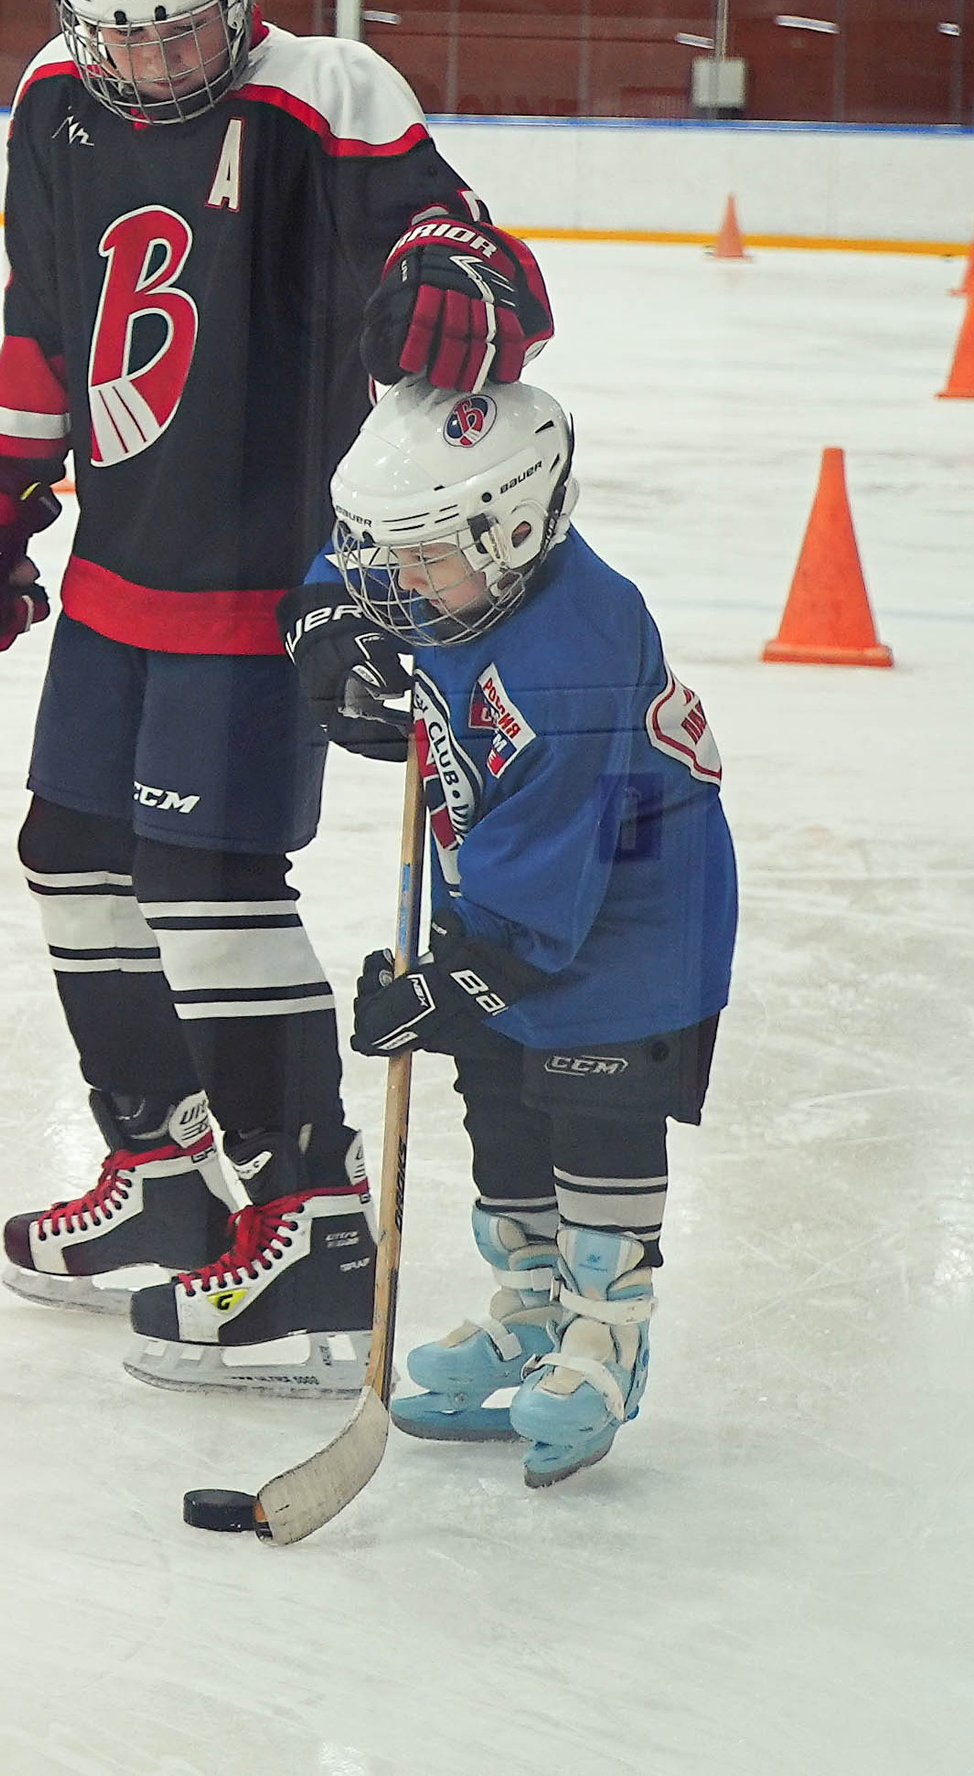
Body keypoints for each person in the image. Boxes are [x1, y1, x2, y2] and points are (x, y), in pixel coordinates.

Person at [0, 0, 553, 1399]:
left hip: (270, 576)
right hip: (119, 566)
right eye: (120, 32)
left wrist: (458, 279)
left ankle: (312, 1216)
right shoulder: (52, 104)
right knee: (72, 853)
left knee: (205, 878)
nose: (151, 63)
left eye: (181, 28)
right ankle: (165, 1171)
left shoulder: (325, 98)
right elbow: (44, 321)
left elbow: (480, 274)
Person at [322, 377, 736, 1485]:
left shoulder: (573, 663)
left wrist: (449, 983)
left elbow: (539, 909)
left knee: (593, 1114)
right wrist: (326, 629)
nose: (395, 577)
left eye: (419, 556)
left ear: (506, 533)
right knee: (500, 1100)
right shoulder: (463, 580)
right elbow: (365, 557)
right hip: (510, 886)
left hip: (627, 926)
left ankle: (604, 1338)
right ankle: (527, 1312)